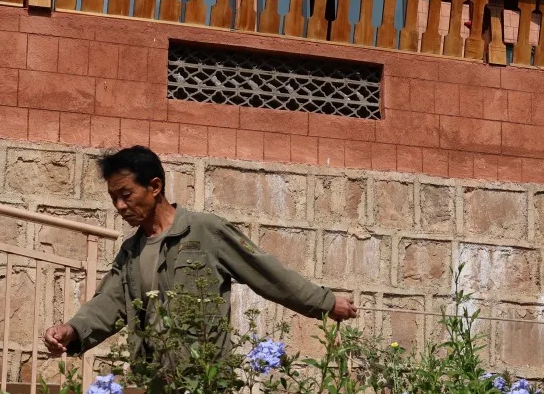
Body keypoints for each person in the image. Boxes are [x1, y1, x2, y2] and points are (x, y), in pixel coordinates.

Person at [43, 146, 357, 358]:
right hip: (152, 382)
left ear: (154, 187)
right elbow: (108, 304)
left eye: (126, 195)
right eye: (114, 198)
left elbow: (267, 272)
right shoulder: (132, 251)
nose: (120, 206)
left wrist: (325, 302)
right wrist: (72, 330)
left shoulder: (206, 231)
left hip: (201, 381)